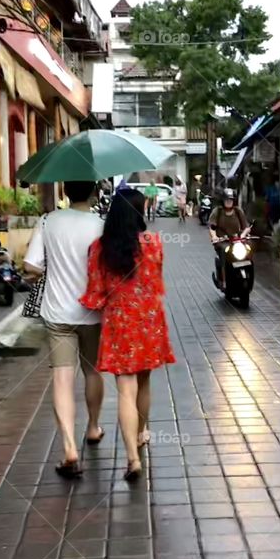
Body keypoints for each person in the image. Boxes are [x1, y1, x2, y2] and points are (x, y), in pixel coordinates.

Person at [81, 189, 175, 482]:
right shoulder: (154, 243)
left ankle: (132, 460)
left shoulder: (99, 248)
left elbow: (95, 292)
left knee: (125, 390)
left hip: (119, 320)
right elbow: (157, 281)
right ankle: (141, 434)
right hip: (148, 319)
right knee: (144, 382)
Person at [24, 180, 105, 479]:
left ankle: (69, 447)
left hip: (58, 312)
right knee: (93, 372)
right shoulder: (101, 225)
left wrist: (52, 272)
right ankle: (94, 427)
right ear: (94, 191)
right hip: (93, 311)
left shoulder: (48, 221)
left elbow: (31, 266)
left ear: (65, 193)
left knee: (62, 377)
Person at [208, 188, 249, 287]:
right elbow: (212, 227)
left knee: (248, 249)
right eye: (226, 200)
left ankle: (249, 273)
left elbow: (246, 228)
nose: (228, 202)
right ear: (223, 200)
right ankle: (224, 281)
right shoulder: (217, 211)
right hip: (223, 241)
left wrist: (243, 235)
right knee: (223, 251)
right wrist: (214, 236)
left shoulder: (238, 211)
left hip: (237, 240)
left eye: (230, 200)